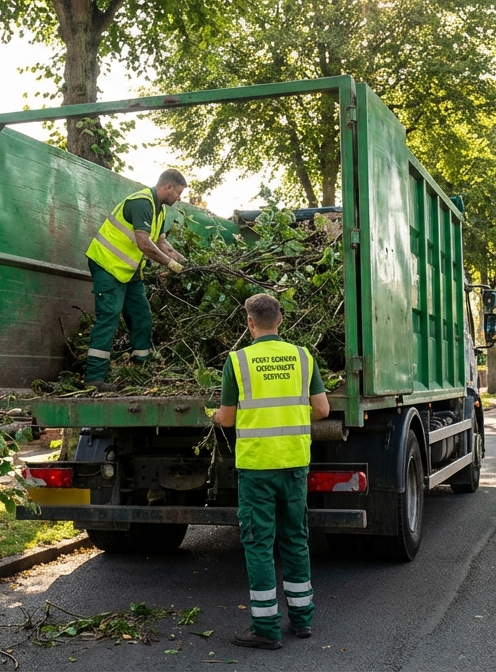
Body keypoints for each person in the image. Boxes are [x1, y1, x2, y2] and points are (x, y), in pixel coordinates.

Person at [213, 293, 330, 650]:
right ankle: (302, 620)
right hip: (294, 463)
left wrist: (213, 416)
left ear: (250, 323)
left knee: (259, 544)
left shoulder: (237, 362)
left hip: (256, 466)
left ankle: (265, 628)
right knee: (295, 540)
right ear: (280, 319)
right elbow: (322, 410)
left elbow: (228, 418)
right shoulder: (303, 356)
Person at [83, 169, 189, 388]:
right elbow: (143, 243)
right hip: (106, 265)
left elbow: (161, 243)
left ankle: (142, 370)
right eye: (178, 193)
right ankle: (94, 379)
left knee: (141, 317)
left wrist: (187, 263)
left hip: (129, 273)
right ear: (168, 187)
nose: (179, 198)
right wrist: (170, 264)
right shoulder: (141, 202)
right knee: (109, 317)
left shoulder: (159, 211)